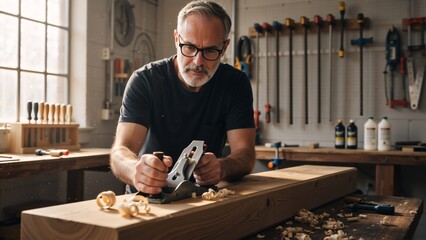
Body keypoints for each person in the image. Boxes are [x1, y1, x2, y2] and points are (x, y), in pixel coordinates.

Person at [110, 0, 255, 195]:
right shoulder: (145, 81)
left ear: (225, 46)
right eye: (189, 47)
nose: (197, 61)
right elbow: (120, 151)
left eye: (210, 51)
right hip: (145, 200)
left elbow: (246, 155)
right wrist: (136, 170)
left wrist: (222, 167)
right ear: (177, 38)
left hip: (205, 199)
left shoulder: (235, 84)